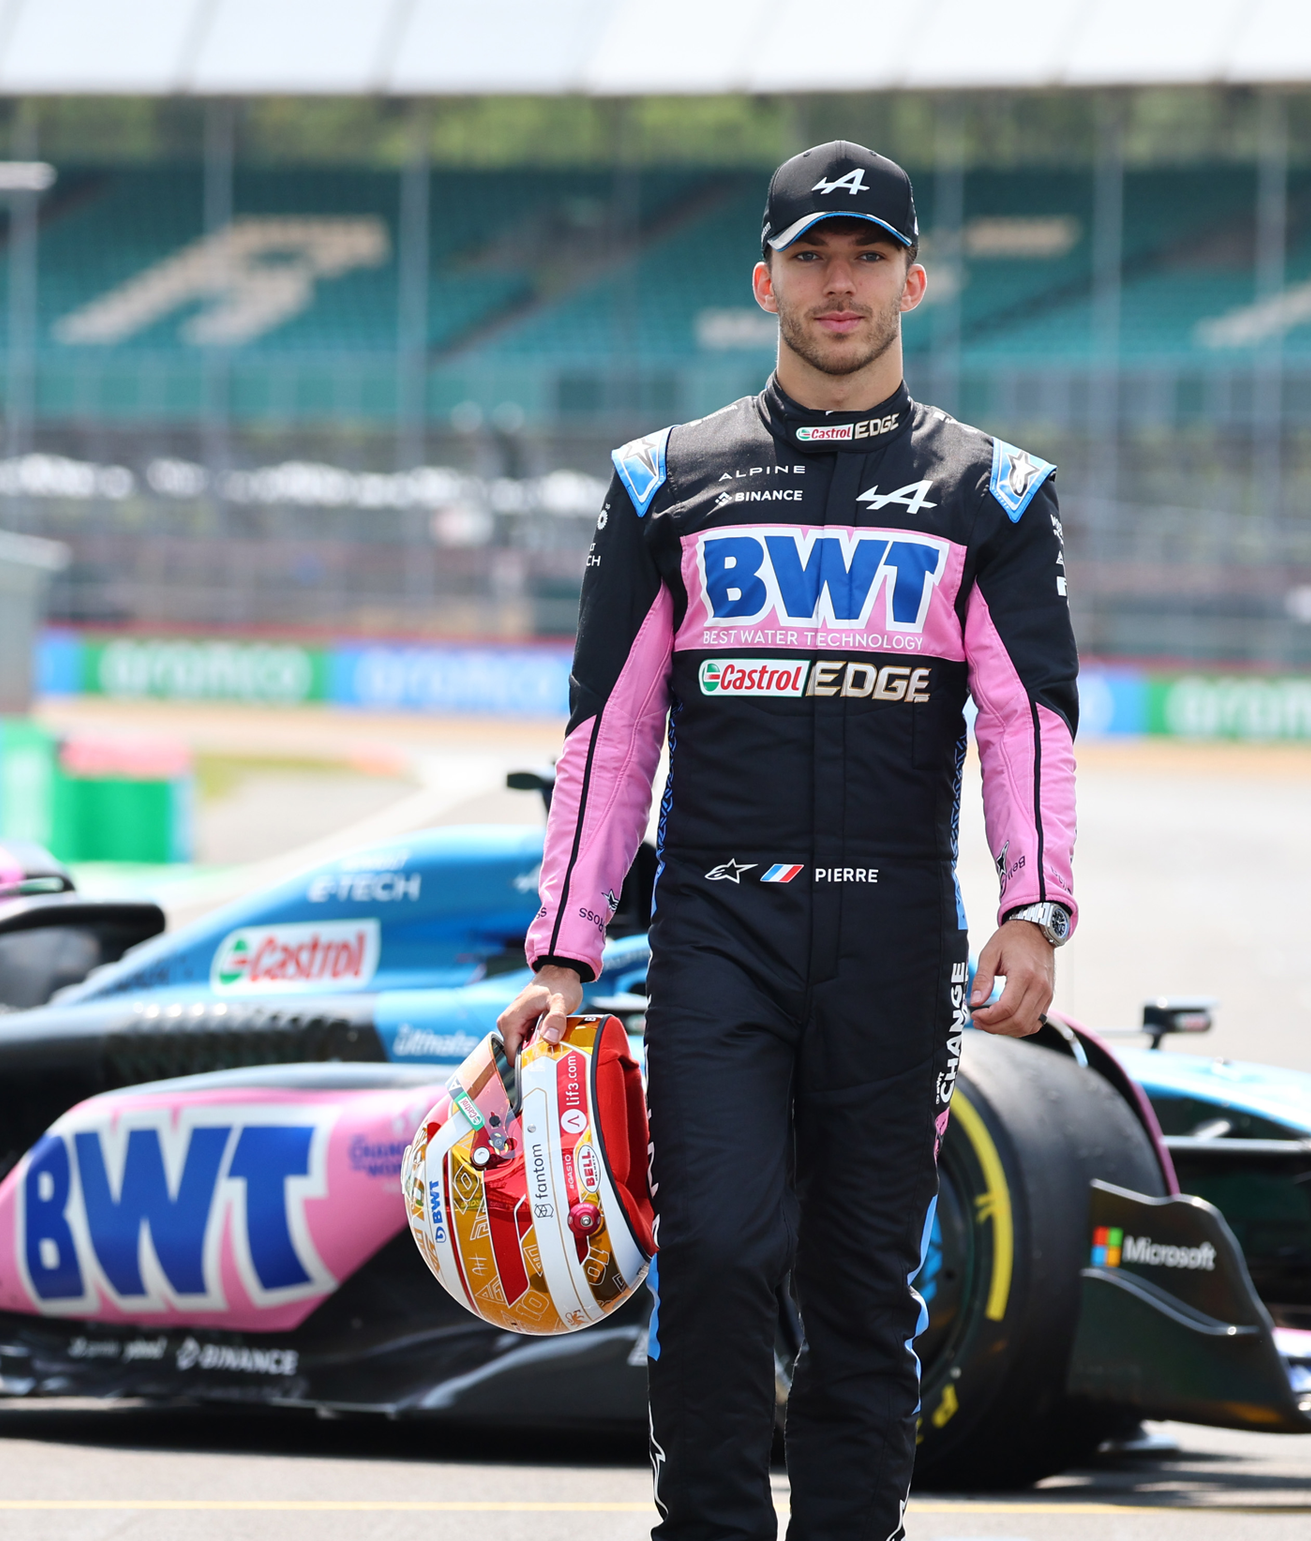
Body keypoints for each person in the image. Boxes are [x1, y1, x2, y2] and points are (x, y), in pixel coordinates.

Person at [497, 140, 1081, 1541]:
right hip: (718, 927)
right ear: (765, 278)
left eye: (867, 257)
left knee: (867, 1291)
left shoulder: (993, 494)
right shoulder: (661, 484)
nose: (840, 284)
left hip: (893, 939)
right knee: (713, 1256)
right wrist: (565, 955)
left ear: (913, 282)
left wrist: (1035, 906)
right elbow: (610, 736)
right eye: (813, 257)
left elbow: (1027, 723)